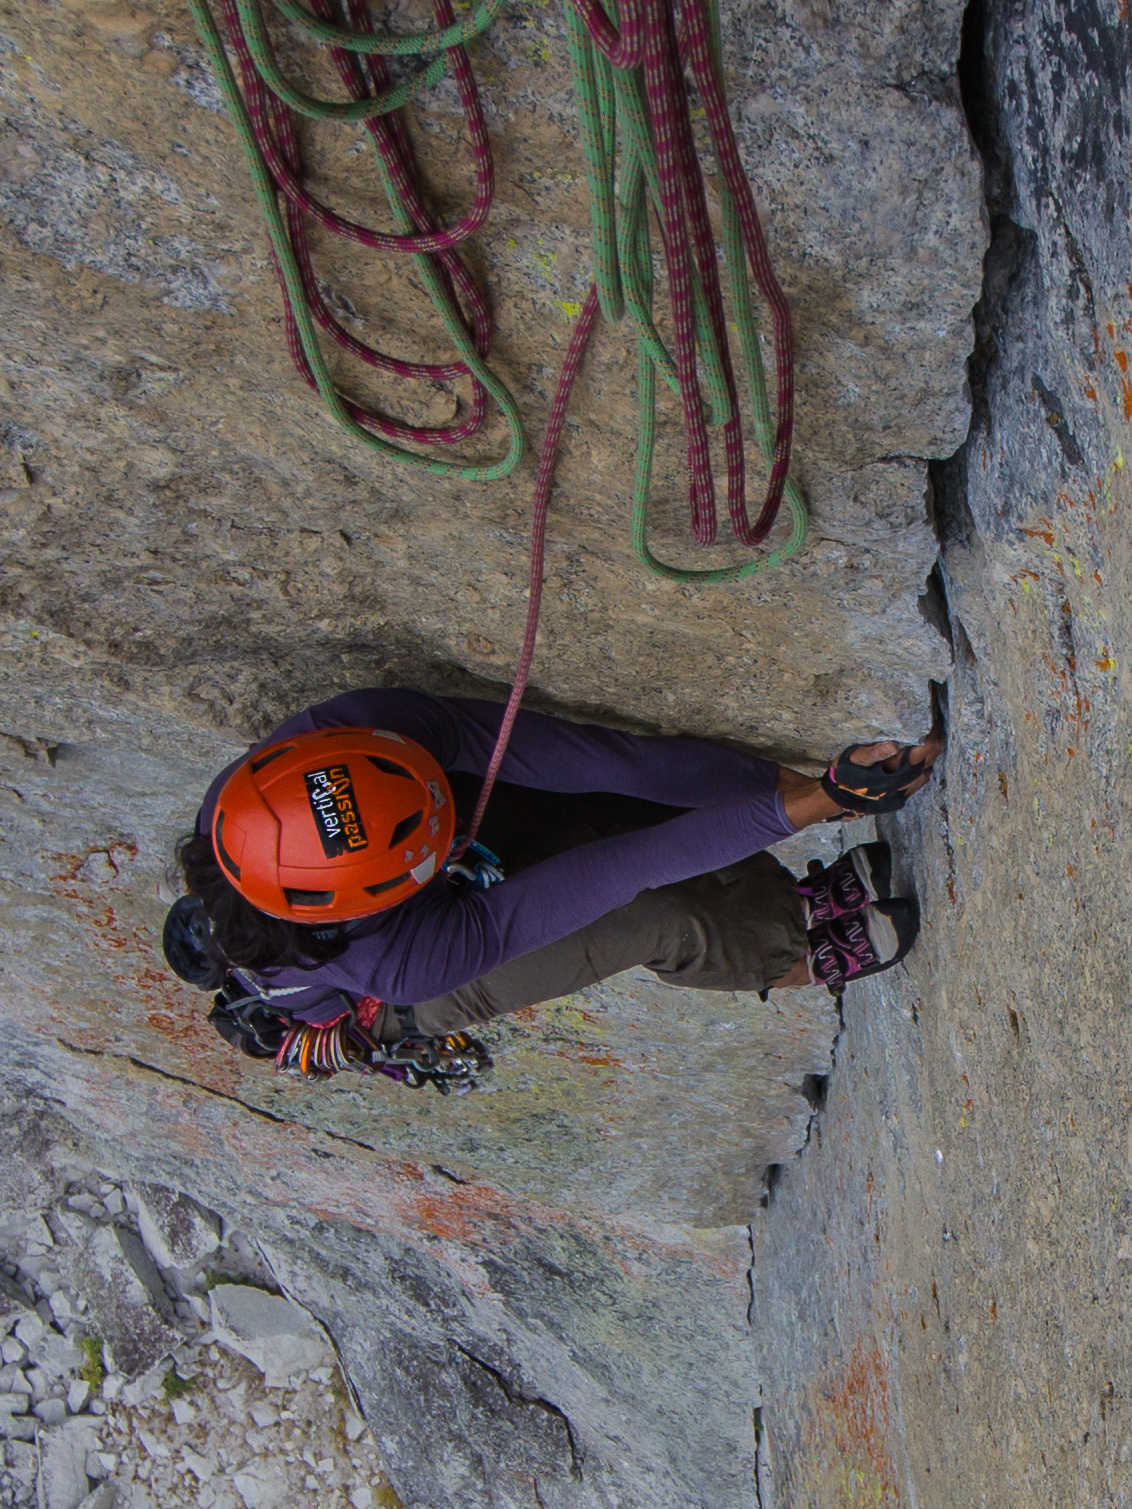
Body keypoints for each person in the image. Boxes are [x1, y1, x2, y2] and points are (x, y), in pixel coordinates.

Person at [167, 687, 942, 1049]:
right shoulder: (403, 961)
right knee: (650, 921)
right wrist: (818, 800)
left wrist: (807, 789)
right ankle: (795, 956)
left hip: (434, 861)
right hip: (420, 990)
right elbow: (627, 873)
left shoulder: (329, 744)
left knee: (607, 806)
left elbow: (607, 761)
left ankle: (792, 902)